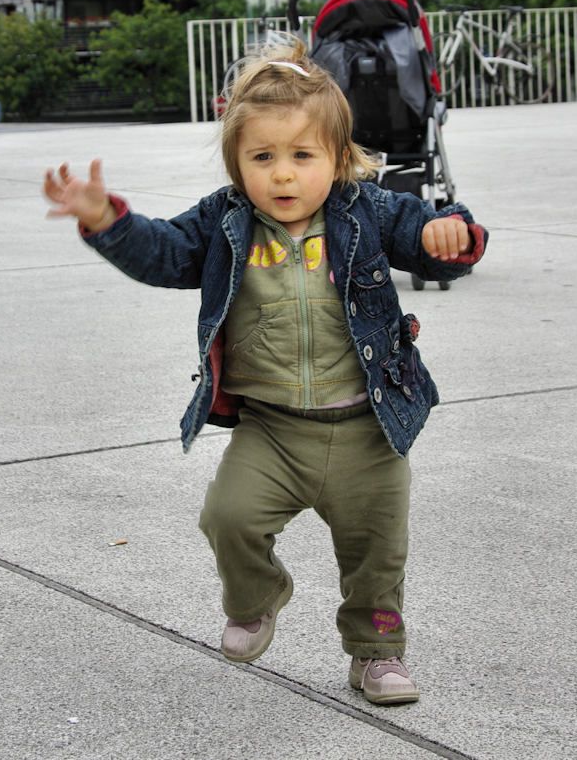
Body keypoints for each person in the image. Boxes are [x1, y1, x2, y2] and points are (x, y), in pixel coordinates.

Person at [42, 39, 488, 705]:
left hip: (368, 433)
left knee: (378, 557)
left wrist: (448, 235)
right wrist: (109, 221)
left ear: (338, 158)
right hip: (272, 431)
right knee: (228, 517)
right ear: (237, 163)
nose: (282, 176)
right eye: (262, 158)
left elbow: (434, 236)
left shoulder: (367, 210)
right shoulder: (225, 222)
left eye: (302, 156)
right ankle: (257, 598)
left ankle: (378, 653)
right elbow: (165, 253)